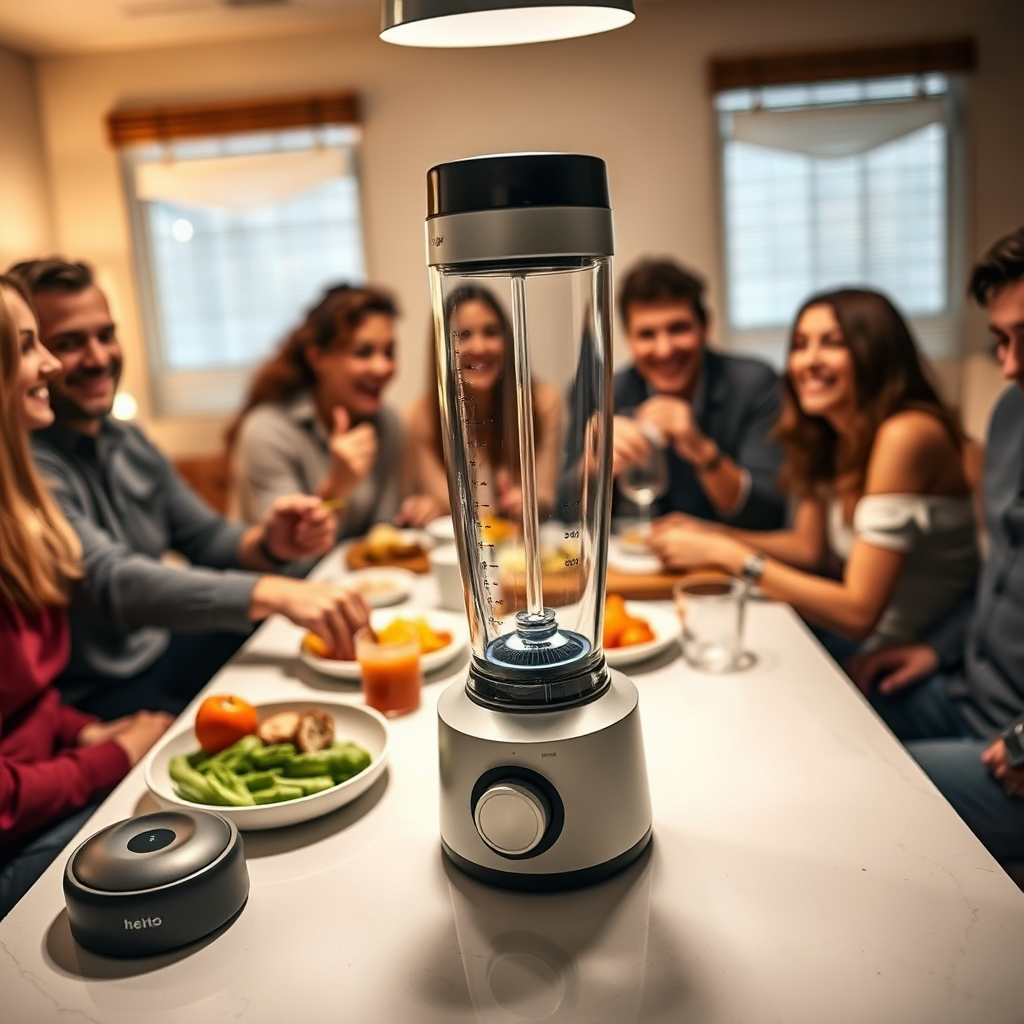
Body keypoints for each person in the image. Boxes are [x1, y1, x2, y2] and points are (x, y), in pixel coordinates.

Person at [10, 258, 369, 719]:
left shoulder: (127, 439)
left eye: (105, 335)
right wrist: (273, 591)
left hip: (164, 653)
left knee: (310, 665)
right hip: (97, 693)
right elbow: (111, 582)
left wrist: (269, 543)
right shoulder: (28, 464)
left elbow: (205, 538)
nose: (99, 357)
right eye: (69, 343)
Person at [650, 288, 978, 652]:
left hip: (912, 652)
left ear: (877, 354)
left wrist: (722, 551)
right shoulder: (830, 432)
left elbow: (858, 613)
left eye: (833, 343)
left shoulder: (906, 434)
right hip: (862, 640)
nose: (808, 361)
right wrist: (710, 532)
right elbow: (809, 549)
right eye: (800, 344)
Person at [848, 228, 1024, 863]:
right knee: (828, 720)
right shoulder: (1011, 415)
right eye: (1001, 341)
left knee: (857, 792)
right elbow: (999, 572)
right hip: (967, 689)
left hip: (1011, 743)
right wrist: (935, 648)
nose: (1010, 366)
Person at [0, 275, 172, 920]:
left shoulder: (21, 504)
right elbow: (110, 577)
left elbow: (30, 706)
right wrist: (105, 756)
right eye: (27, 346)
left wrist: (87, 733)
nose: (48, 361)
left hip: (61, 762)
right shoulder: (45, 469)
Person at [230, 284, 439, 533]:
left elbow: (383, 530)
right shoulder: (267, 432)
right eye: (363, 352)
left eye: (389, 352)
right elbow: (288, 552)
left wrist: (418, 513)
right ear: (317, 358)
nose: (382, 367)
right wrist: (336, 489)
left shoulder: (388, 423)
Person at [610, 259, 785, 530]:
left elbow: (769, 513)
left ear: (705, 326)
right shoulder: (607, 393)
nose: (664, 349)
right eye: (646, 334)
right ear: (628, 339)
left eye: (678, 328)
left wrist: (702, 450)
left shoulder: (753, 384)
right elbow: (564, 515)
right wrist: (595, 466)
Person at [402, 284, 563, 520]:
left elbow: (547, 496)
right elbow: (447, 506)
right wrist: (427, 507)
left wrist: (532, 501)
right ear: (442, 347)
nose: (479, 347)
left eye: (490, 332)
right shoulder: (421, 416)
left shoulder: (543, 402)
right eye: (463, 335)